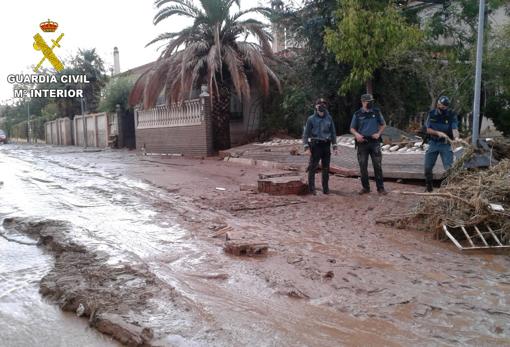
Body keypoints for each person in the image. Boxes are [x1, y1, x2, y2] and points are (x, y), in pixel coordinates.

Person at [350, 93, 387, 195]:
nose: (370, 103)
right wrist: (357, 135)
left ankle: (380, 188)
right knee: (363, 166)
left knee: (377, 166)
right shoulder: (357, 114)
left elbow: (383, 124)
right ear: (362, 102)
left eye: (371, 101)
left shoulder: (376, 112)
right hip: (362, 143)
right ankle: (365, 187)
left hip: (374, 142)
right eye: (368, 102)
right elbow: (352, 128)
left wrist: (378, 133)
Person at [303, 98, 338, 195]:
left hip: (326, 145)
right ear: (316, 106)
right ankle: (311, 189)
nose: (322, 106)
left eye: (324, 104)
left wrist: (335, 146)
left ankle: (326, 189)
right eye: (320, 104)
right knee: (313, 167)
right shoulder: (311, 119)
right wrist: (306, 147)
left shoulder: (329, 118)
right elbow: (306, 134)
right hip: (315, 145)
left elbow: (333, 132)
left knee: (326, 168)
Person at [424, 96, 459, 192]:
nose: (443, 108)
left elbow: (454, 128)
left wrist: (456, 138)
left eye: (445, 107)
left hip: (446, 144)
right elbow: (427, 129)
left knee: (449, 169)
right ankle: (429, 188)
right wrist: (438, 133)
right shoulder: (431, 114)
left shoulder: (451, 115)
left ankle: (450, 189)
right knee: (427, 167)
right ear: (438, 104)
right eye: (441, 106)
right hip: (433, 143)